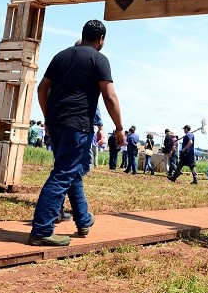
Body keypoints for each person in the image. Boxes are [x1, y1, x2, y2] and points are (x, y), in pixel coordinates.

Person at [28, 19, 125, 247]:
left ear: (82, 35)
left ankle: (83, 219)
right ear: (101, 39)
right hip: (78, 124)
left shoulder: (61, 56)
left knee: (72, 171)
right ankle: (42, 230)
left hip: (57, 123)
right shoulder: (99, 59)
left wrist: (48, 117)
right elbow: (110, 97)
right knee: (63, 174)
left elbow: (42, 88)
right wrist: (119, 128)